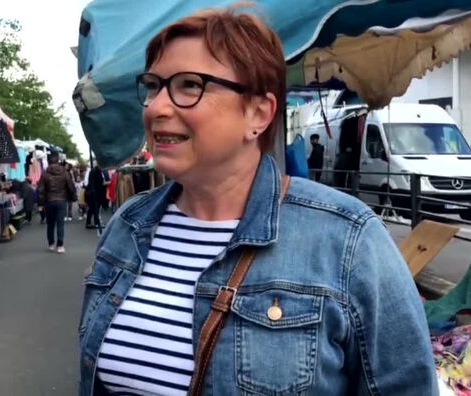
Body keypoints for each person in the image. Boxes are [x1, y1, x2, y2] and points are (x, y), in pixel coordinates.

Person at [78, 6, 436, 395]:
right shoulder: (127, 225)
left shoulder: (347, 240)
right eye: (153, 86)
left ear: (259, 113)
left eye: (188, 85)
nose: (157, 107)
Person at [37, 154, 75, 253]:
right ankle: (60, 245)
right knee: (60, 223)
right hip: (62, 200)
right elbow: (70, 186)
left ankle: (51, 244)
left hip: (49, 201)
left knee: (50, 224)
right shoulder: (65, 172)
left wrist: (40, 204)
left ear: (49, 161)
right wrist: (73, 197)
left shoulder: (45, 173)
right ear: (58, 161)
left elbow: (40, 190)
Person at [84, 163, 106, 230]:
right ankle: (96, 222)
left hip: (92, 192)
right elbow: (100, 183)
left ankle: (90, 222)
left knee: (92, 208)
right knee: (95, 208)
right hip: (96, 193)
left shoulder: (92, 171)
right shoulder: (96, 171)